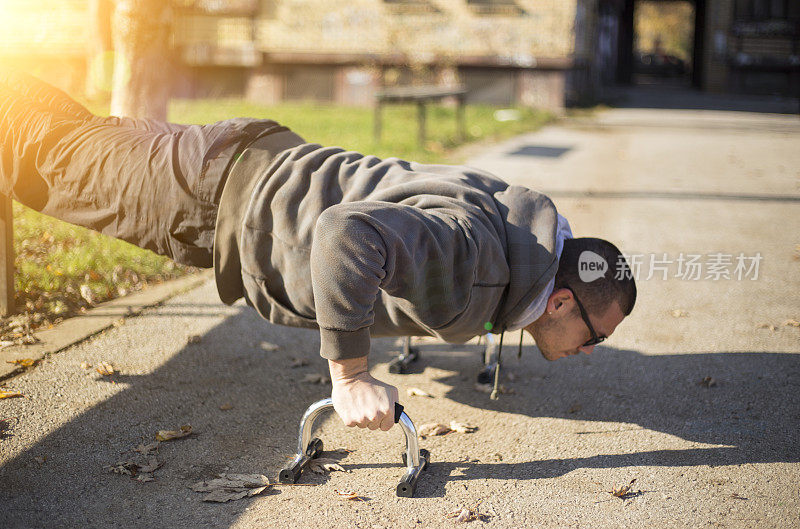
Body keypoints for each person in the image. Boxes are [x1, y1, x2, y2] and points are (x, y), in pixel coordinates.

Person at [0, 71, 636, 433]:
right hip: (208, 196)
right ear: (559, 299)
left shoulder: (521, 232)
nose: (588, 353)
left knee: (54, 134)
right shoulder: (479, 265)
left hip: (244, 164)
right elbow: (346, 234)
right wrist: (351, 377)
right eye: (593, 337)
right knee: (35, 158)